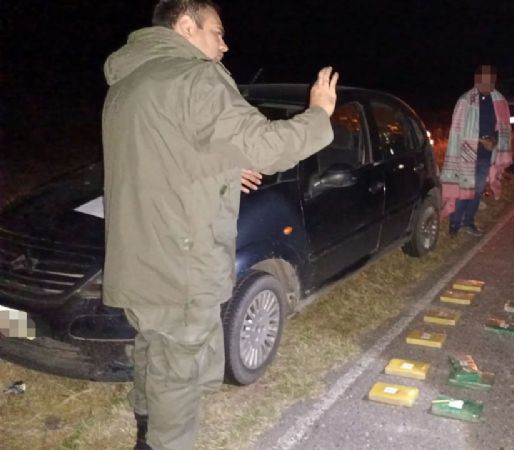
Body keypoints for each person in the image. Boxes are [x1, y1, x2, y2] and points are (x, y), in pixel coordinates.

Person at [101, 1, 337, 449]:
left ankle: (145, 434)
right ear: (186, 26)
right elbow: (268, 146)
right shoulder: (195, 77)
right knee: (180, 370)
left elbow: (167, 159)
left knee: (154, 347)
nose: (224, 45)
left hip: (139, 257)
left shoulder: (129, 82)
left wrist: (227, 168)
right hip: (180, 263)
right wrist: (319, 114)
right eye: (218, 32)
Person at [441, 64, 512, 237]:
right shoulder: (465, 101)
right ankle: (455, 223)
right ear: (476, 80)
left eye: (490, 81)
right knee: (463, 190)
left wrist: (494, 142)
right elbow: (458, 130)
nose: (486, 85)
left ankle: (469, 222)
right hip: (465, 155)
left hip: (486, 155)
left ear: (495, 81)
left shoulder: (500, 101)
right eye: (483, 81)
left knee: (477, 191)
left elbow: (503, 128)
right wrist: (481, 141)